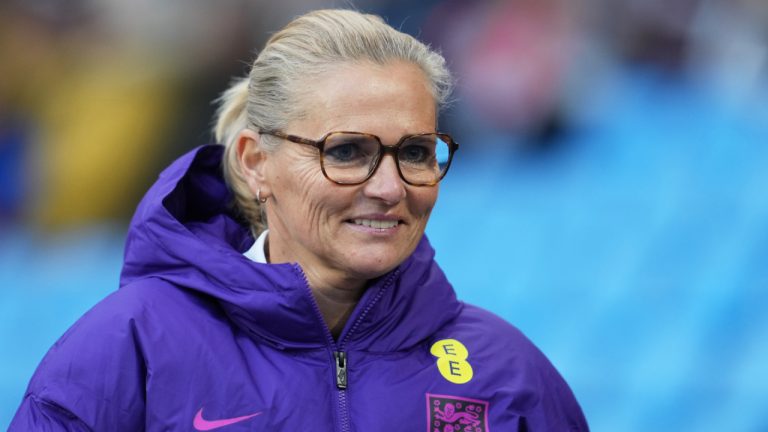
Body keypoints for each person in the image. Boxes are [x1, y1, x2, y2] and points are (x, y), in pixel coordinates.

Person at [10, 9, 588, 431]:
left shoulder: (506, 372)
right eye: (347, 151)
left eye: (415, 152)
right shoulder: (129, 347)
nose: (390, 188)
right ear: (255, 162)